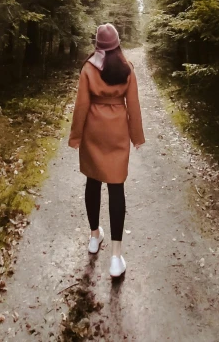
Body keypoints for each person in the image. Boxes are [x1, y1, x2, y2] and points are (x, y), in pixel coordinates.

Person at [68, 23, 145, 278]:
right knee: (116, 187)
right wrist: (137, 137)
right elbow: (132, 104)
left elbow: (81, 105)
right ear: (118, 43)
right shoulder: (127, 68)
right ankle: (115, 256)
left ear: (98, 45)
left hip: (93, 129)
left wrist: (76, 136)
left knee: (92, 181)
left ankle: (93, 237)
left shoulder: (89, 67)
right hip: (117, 132)